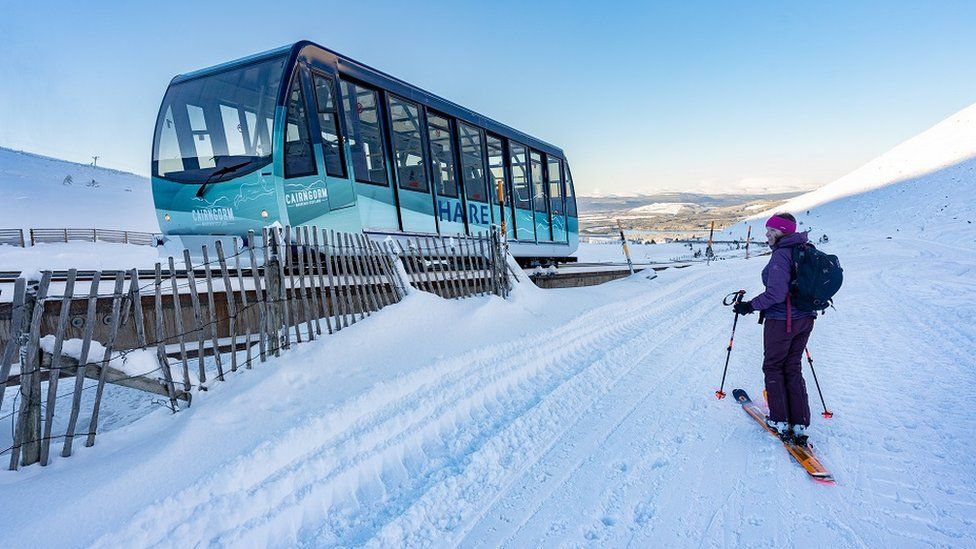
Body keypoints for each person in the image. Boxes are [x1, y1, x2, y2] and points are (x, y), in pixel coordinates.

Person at [733, 213, 816, 444]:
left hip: (782, 321)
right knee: (792, 366)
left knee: (773, 366)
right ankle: (799, 423)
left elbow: (776, 294)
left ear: (783, 232)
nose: (767, 235)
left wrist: (749, 306)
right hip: (805, 318)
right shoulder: (804, 248)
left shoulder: (782, 254)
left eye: (772, 231)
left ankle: (779, 420)